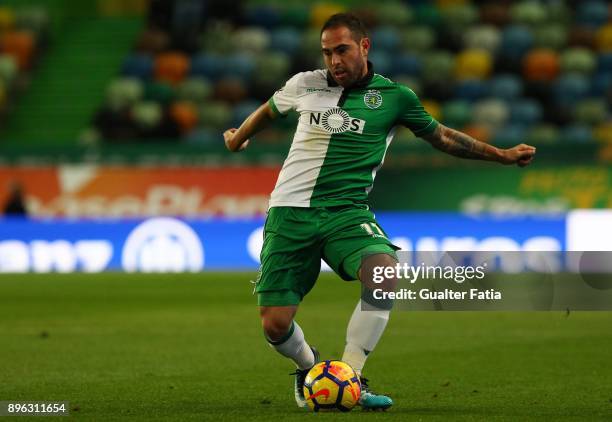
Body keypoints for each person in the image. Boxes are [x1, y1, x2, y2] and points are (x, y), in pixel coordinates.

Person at [223, 13, 535, 411]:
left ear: (364, 46)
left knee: (384, 273)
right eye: (327, 52)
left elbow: (441, 136)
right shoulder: (304, 84)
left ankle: (350, 376)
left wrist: (503, 156)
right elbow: (268, 110)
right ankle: (310, 368)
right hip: (290, 213)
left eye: (342, 50)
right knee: (275, 324)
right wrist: (237, 139)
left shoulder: (395, 97)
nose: (334, 60)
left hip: (346, 213)